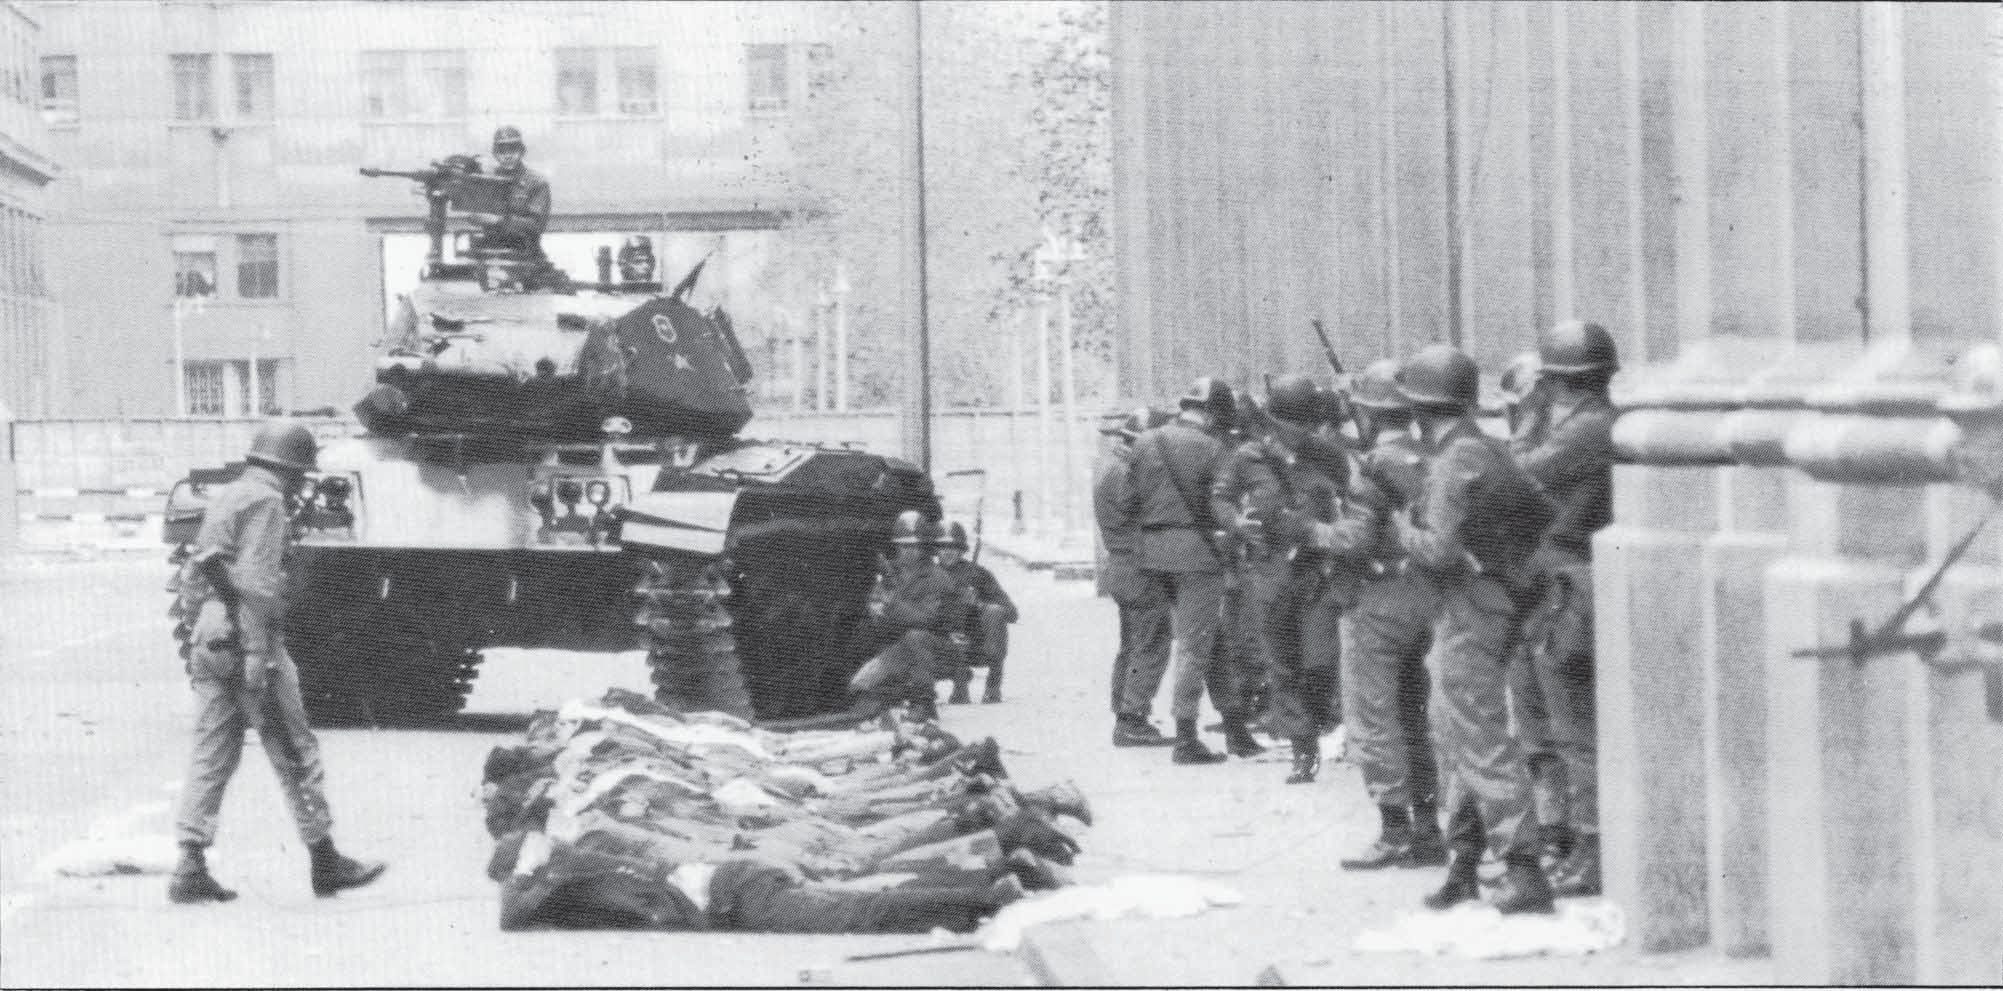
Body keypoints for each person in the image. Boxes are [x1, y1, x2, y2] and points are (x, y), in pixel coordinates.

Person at [167, 419, 387, 904]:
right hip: (248, 637)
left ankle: (189, 864)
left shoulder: (229, 495)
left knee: (211, 753)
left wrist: (204, 629)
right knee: (293, 749)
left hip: (210, 634)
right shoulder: (267, 502)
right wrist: (256, 654)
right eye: (301, 474)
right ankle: (325, 860)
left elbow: (196, 573)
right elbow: (256, 584)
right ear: (290, 470)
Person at [1392, 345, 1555, 914]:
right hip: (1495, 596)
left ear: (1420, 409)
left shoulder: (1454, 459)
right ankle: (1464, 859)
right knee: (1453, 728)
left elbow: (1438, 550)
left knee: (1476, 732)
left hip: (1472, 604)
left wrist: (1399, 526)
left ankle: (1523, 867)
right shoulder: (1484, 448)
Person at [1305, 359, 1445, 865]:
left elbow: (1354, 539)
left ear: (1367, 413)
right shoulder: (1433, 455)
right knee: (1414, 715)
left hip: (1377, 599)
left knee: (1373, 717)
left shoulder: (1373, 467)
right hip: (1426, 594)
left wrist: (1306, 530)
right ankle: (1428, 828)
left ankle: (1394, 829)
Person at [1509, 320, 1619, 898]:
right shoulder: (1584, 422)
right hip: (1551, 585)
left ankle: (1592, 850)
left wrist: (1527, 414)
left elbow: (1514, 473)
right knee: (1544, 721)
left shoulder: (1587, 428)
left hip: (1568, 587)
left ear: (1557, 382)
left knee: (1572, 727)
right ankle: (1567, 840)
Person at [1215, 374, 1351, 777]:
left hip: (1318, 569)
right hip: (1270, 568)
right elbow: (1220, 497)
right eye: (1292, 425)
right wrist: (1236, 522)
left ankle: (1317, 721)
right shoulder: (1248, 457)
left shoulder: (1329, 457)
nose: (1299, 433)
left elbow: (1354, 498)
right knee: (1283, 662)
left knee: (1321, 661)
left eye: (1306, 426)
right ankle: (1302, 749)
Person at [1122, 376, 1239, 765]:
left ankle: (1235, 726)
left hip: (1151, 555)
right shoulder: (1214, 448)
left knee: (1208, 636)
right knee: (1194, 644)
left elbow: (1127, 501)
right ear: (1214, 414)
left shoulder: (1144, 442)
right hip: (1197, 557)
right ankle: (1186, 737)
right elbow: (1221, 508)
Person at [1097, 407, 1178, 747]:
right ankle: (1132, 718)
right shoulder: (1128, 473)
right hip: (1137, 568)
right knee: (1152, 643)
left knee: (1133, 643)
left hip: (1123, 567)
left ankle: (1125, 711)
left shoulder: (1114, 468)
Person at [847, 511, 958, 721]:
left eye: (914, 546)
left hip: (937, 647)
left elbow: (927, 619)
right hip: (899, 645)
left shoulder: (938, 577)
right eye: (903, 546)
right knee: (860, 675)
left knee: (916, 637)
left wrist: (892, 605)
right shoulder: (891, 573)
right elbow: (876, 603)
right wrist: (875, 609)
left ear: (923, 547)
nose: (908, 551)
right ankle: (879, 695)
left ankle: (923, 702)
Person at [935, 521, 1018, 705]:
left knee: (995, 612)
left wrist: (979, 605)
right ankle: (954, 686)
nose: (948, 552)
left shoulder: (979, 575)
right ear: (936, 550)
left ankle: (992, 686)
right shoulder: (928, 576)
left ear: (961, 550)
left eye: (953, 547)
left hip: (976, 645)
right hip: (940, 644)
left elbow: (1011, 612)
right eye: (943, 547)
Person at [463, 125, 551, 261]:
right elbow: (474, 213)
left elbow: (536, 225)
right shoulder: (486, 179)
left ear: (522, 151)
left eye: (513, 149)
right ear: (495, 153)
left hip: (525, 254)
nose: (508, 155)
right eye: (502, 151)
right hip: (488, 251)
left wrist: (499, 221)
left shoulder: (536, 182)